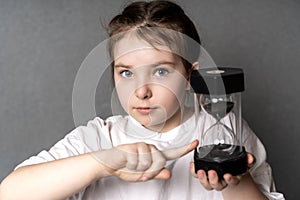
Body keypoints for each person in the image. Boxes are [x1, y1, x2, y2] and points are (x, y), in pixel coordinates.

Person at [0, 1, 284, 200]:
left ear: (190, 76)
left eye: (161, 71)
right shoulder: (100, 138)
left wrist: (234, 181)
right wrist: (102, 163)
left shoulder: (223, 130)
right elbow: (10, 193)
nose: (141, 91)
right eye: (126, 73)